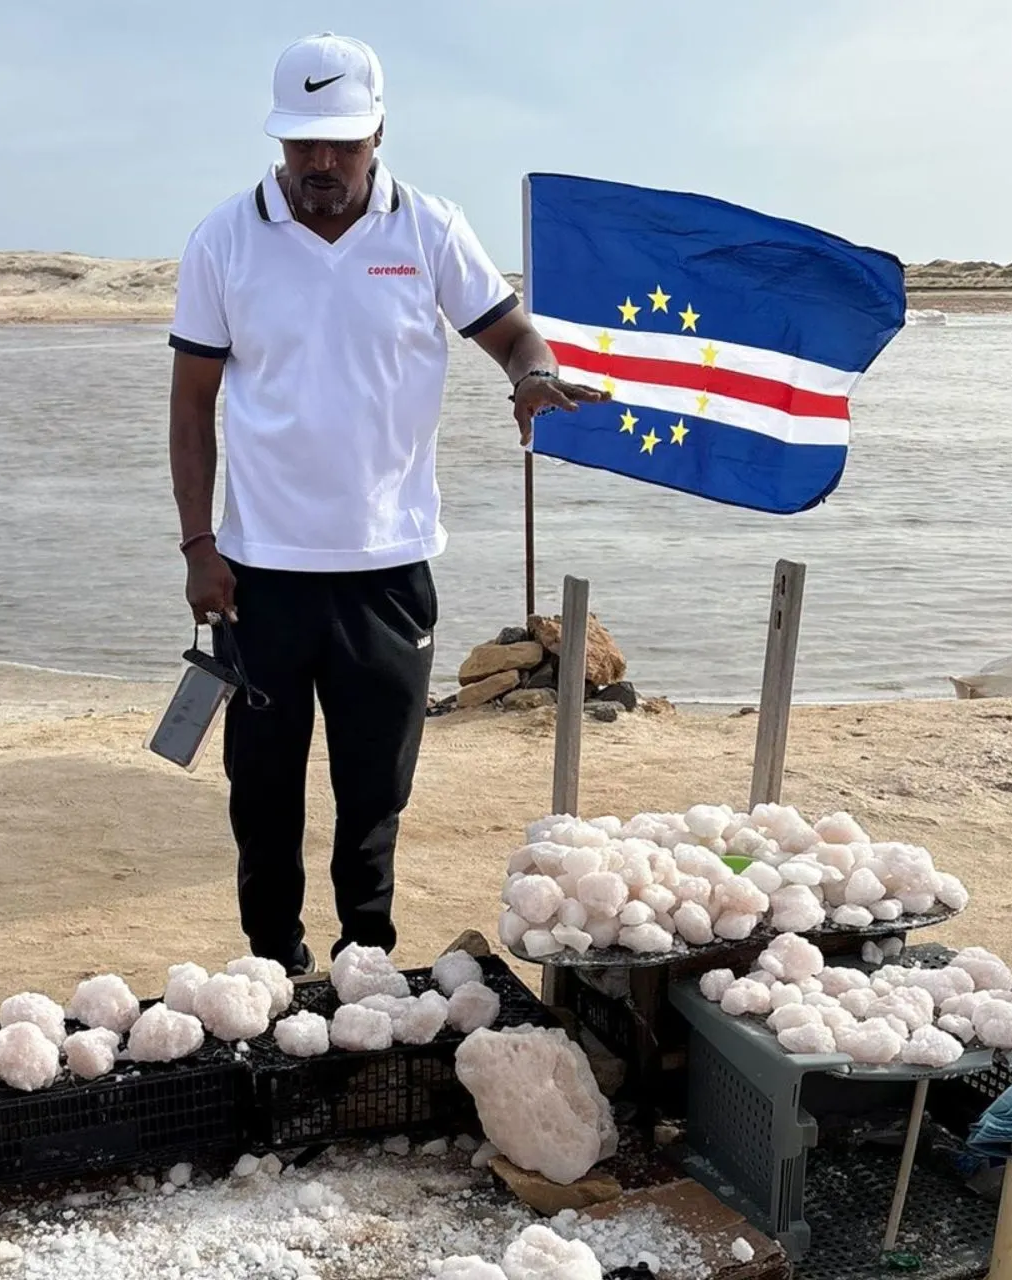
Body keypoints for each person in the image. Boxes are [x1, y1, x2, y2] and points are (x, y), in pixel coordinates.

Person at [166, 32, 604, 973]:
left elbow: (514, 335)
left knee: (374, 792)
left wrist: (533, 376)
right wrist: (199, 545)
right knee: (262, 791)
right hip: (259, 575)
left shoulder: (430, 230)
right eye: (302, 143)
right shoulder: (223, 239)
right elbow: (192, 402)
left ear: (378, 133)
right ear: (278, 140)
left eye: (342, 141)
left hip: (389, 571)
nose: (320, 163)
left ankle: (365, 956)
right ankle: (274, 961)